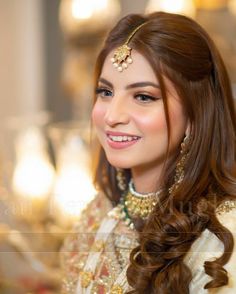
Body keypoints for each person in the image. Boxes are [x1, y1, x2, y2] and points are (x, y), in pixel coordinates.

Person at [61, 11, 236, 294]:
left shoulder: (224, 235)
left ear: (195, 114)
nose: (112, 116)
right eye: (105, 92)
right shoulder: (98, 213)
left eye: (143, 96)